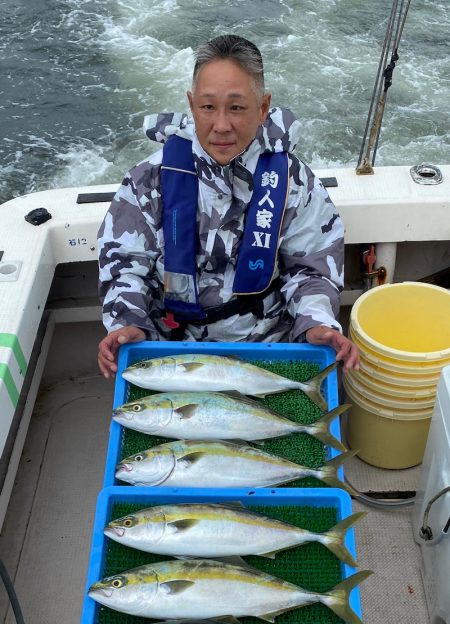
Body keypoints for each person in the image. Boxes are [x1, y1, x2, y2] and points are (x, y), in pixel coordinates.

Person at [97, 34, 359, 378]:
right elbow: (125, 266)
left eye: (236, 108)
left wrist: (317, 323)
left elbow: (311, 271)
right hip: (171, 349)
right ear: (192, 104)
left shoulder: (294, 182)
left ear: (263, 108)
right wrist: (128, 322)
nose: (221, 126)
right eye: (208, 107)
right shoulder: (148, 180)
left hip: (270, 346)